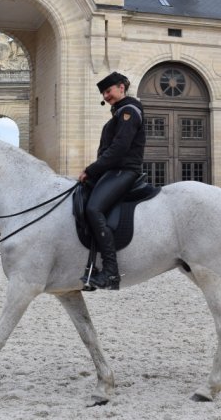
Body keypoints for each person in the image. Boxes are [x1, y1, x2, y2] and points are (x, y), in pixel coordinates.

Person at [77, 71, 146, 291]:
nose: (106, 96)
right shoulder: (119, 113)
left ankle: (111, 272)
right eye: (104, 93)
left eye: (108, 91)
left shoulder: (129, 111)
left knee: (94, 209)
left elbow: (119, 150)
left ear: (121, 88)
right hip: (112, 171)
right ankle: (90, 267)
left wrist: (91, 170)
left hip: (124, 171)